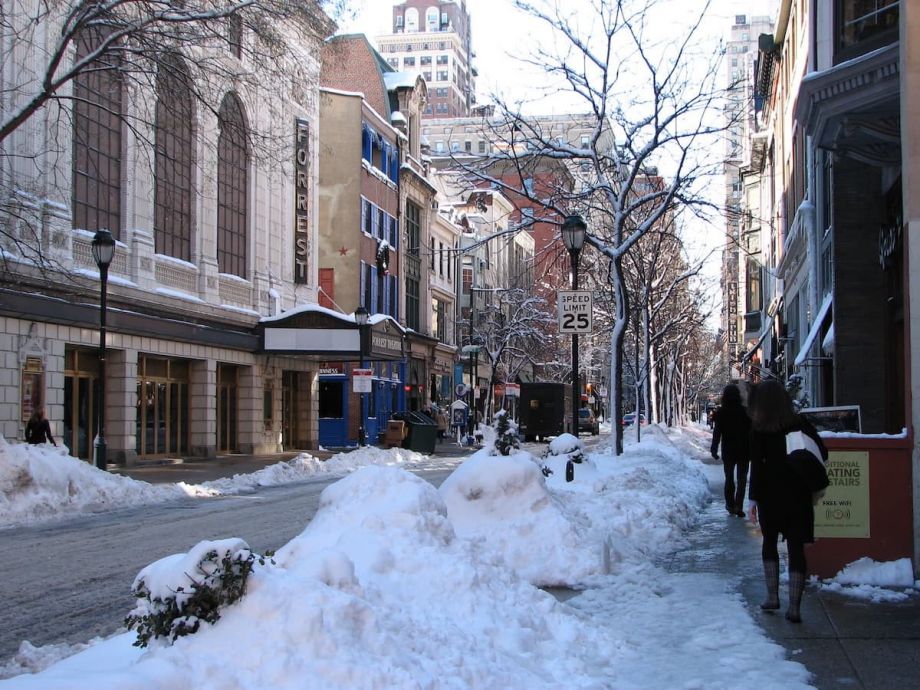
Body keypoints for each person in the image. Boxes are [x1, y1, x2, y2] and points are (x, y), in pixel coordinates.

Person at [747, 379, 828, 624]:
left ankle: (772, 596)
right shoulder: (799, 424)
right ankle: (794, 607)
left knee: (769, 542)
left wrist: (753, 500)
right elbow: (822, 452)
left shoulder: (759, 429)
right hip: (798, 493)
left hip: (770, 495)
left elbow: (756, 467)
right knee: (796, 548)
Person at [710, 384, 750, 517]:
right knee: (742, 479)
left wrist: (714, 449)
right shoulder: (745, 411)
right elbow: (751, 432)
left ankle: (730, 504)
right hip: (744, 449)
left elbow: (717, 432)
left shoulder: (721, 412)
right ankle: (739, 505)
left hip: (728, 450)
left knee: (729, 478)